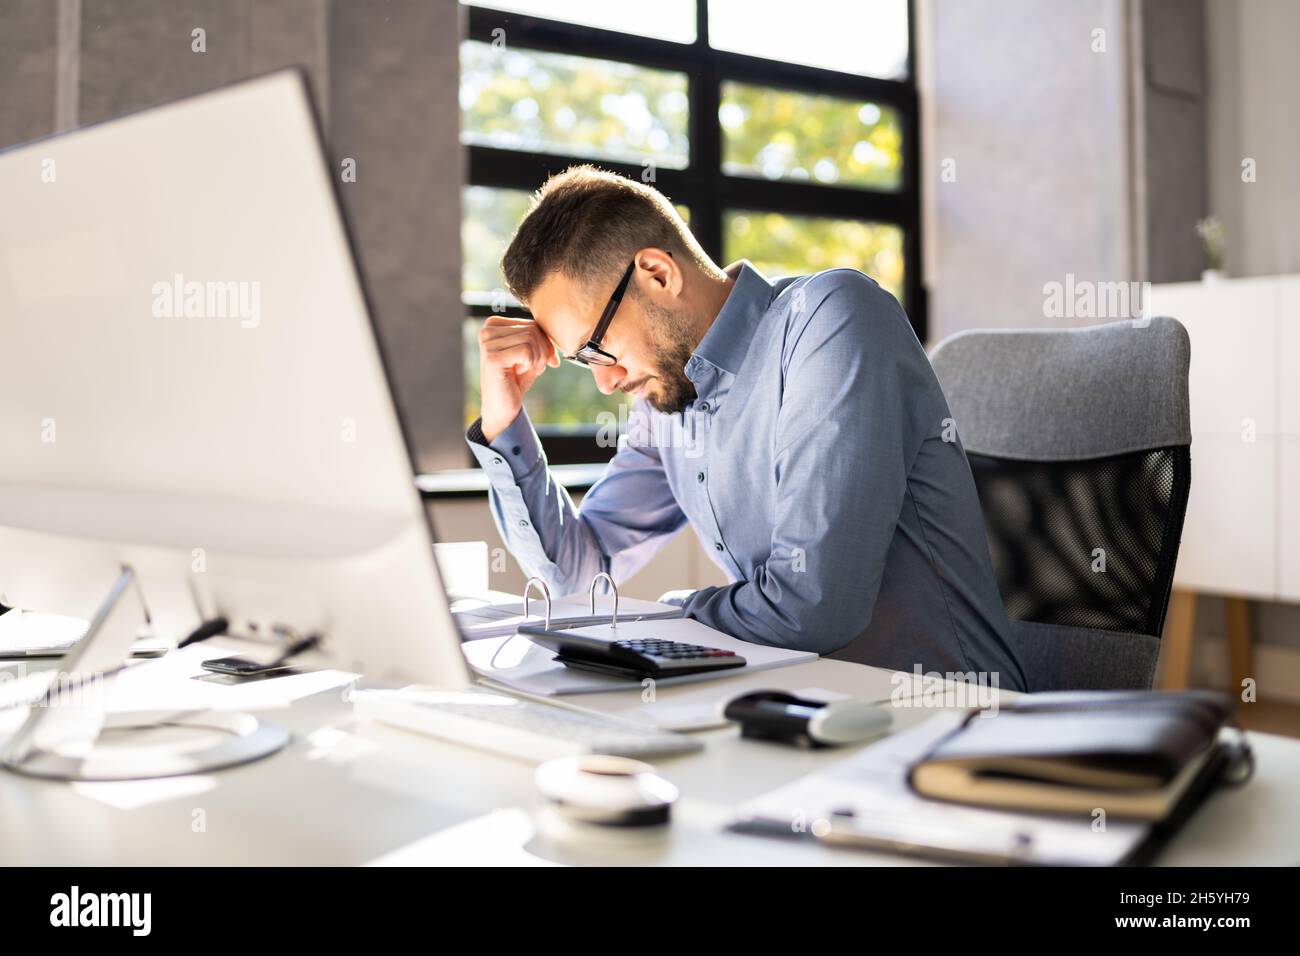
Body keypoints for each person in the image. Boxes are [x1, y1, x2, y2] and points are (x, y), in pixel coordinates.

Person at [466, 165, 1025, 689]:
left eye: (596, 348)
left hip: (951, 723)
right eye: (586, 362)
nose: (606, 383)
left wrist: (671, 613)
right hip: (800, 711)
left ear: (658, 275)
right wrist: (503, 419)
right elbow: (576, 576)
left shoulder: (832, 319)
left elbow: (813, 608)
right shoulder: (667, 400)